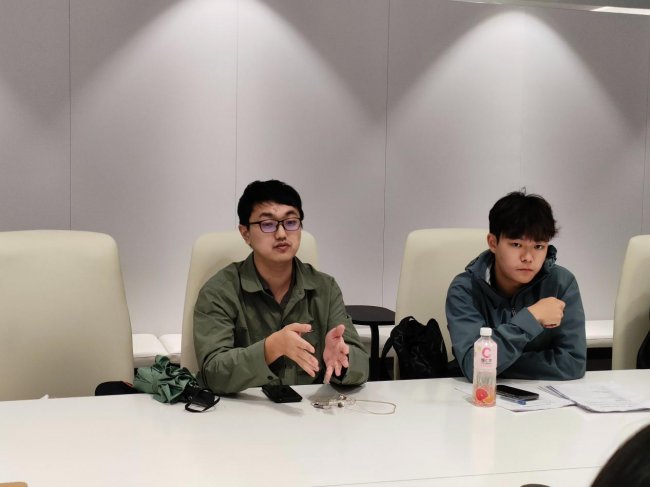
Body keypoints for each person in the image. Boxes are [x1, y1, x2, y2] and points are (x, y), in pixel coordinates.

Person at [193, 180, 369, 394]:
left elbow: (362, 365)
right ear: (245, 233)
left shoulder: (325, 288)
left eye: (291, 222)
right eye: (268, 224)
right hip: (243, 410)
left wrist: (343, 360)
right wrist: (269, 349)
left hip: (309, 410)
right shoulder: (219, 291)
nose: (282, 234)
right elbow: (213, 372)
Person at [446, 190, 586, 381]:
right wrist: (531, 317)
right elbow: (474, 367)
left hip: (544, 396)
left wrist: (494, 363)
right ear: (493, 243)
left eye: (538, 247)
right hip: (480, 395)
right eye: (516, 245)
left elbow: (573, 363)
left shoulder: (561, 283)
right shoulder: (465, 290)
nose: (528, 257)